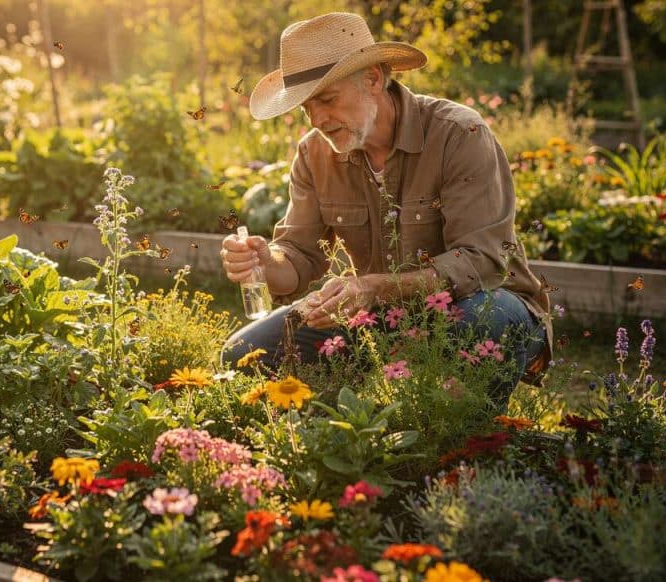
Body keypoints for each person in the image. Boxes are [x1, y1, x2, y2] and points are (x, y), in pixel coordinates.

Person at [219, 12, 552, 401]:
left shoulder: (460, 134)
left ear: (373, 79)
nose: (318, 119)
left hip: (483, 303)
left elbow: (482, 262)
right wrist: (265, 262)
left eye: (327, 99)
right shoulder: (313, 153)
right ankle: (347, 434)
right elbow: (298, 256)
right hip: (378, 314)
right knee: (242, 356)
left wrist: (377, 287)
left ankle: (461, 439)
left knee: (478, 325)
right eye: (306, 107)